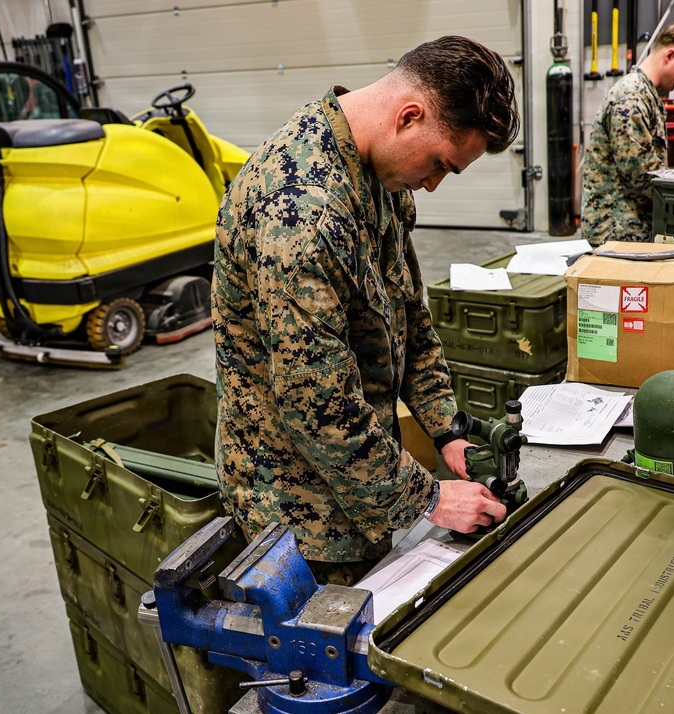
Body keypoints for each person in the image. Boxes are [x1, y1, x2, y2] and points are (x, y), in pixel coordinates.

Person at [212, 36, 520, 585]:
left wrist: (446, 428)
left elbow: (411, 323)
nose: (432, 183)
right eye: (440, 164)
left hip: (361, 478)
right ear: (409, 116)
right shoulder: (303, 213)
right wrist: (427, 499)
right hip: (298, 510)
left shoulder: (378, 174)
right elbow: (317, 406)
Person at [581, 23, 674, 245]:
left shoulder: (646, 94)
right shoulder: (632, 96)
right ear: (669, 55)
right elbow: (640, 172)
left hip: (631, 226)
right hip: (616, 231)